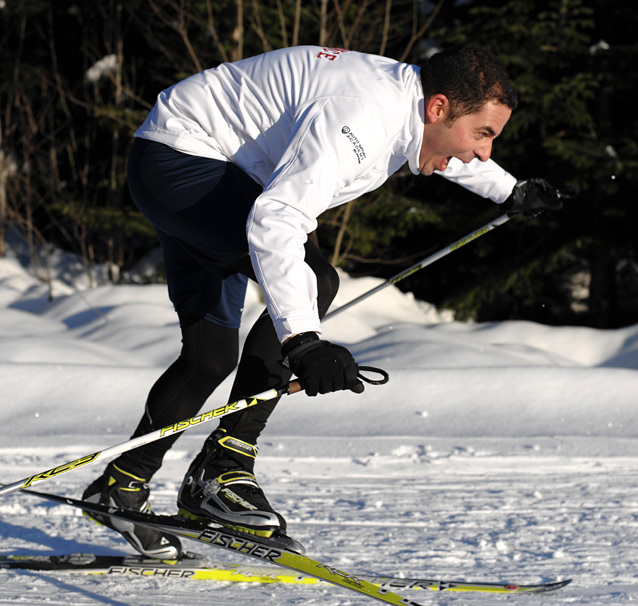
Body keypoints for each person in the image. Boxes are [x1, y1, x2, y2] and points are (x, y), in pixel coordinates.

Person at [82, 43, 562, 559]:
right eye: (484, 134)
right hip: (189, 167)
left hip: (180, 162)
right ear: (438, 106)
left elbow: (446, 147)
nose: (484, 151)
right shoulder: (362, 117)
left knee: (210, 357)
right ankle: (223, 471)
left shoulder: (407, 106)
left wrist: (507, 190)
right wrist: (303, 341)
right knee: (315, 280)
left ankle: (122, 483)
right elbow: (278, 219)